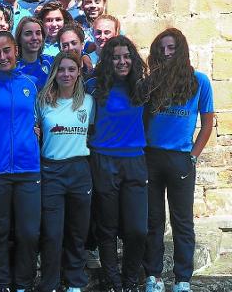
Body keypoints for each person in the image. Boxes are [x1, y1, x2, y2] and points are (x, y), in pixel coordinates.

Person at [143, 28, 214, 292]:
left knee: (182, 221)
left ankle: (182, 279)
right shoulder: (152, 82)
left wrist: (193, 156)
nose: (166, 52)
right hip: (151, 156)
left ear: (181, 49)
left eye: (171, 47)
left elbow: (207, 122)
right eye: (162, 48)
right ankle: (154, 276)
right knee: (153, 219)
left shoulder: (199, 81)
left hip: (181, 158)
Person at [86, 35, 149, 292]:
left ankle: (131, 279)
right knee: (107, 227)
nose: (122, 61)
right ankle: (112, 281)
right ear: (108, 60)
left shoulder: (142, 87)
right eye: (116, 57)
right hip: (103, 160)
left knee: (137, 229)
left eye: (126, 56)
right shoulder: (93, 86)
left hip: (134, 160)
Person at [0, 31, 40, 292]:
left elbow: (40, 118)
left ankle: (24, 283)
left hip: (28, 169)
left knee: (28, 233)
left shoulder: (31, 83)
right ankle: (2, 283)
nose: (2, 57)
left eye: (6, 51)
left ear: (16, 49)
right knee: (0, 231)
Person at [36, 52, 95, 292]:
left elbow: (91, 133)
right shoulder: (42, 101)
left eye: (72, 69)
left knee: (78, 231)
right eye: (62, 69)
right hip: (51, 170)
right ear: (54, 73)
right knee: (52, 232)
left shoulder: (88, 102)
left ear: (79, 72)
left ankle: (75, 282)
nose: (66, 74)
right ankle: (49, 283)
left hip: (80, 169)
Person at [14, 16, 53, 90]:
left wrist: (82, 56)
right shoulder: (13, 68)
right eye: (28, 34)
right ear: (19, 38)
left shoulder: (50, 61)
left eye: (38, 33)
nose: (34, 38)